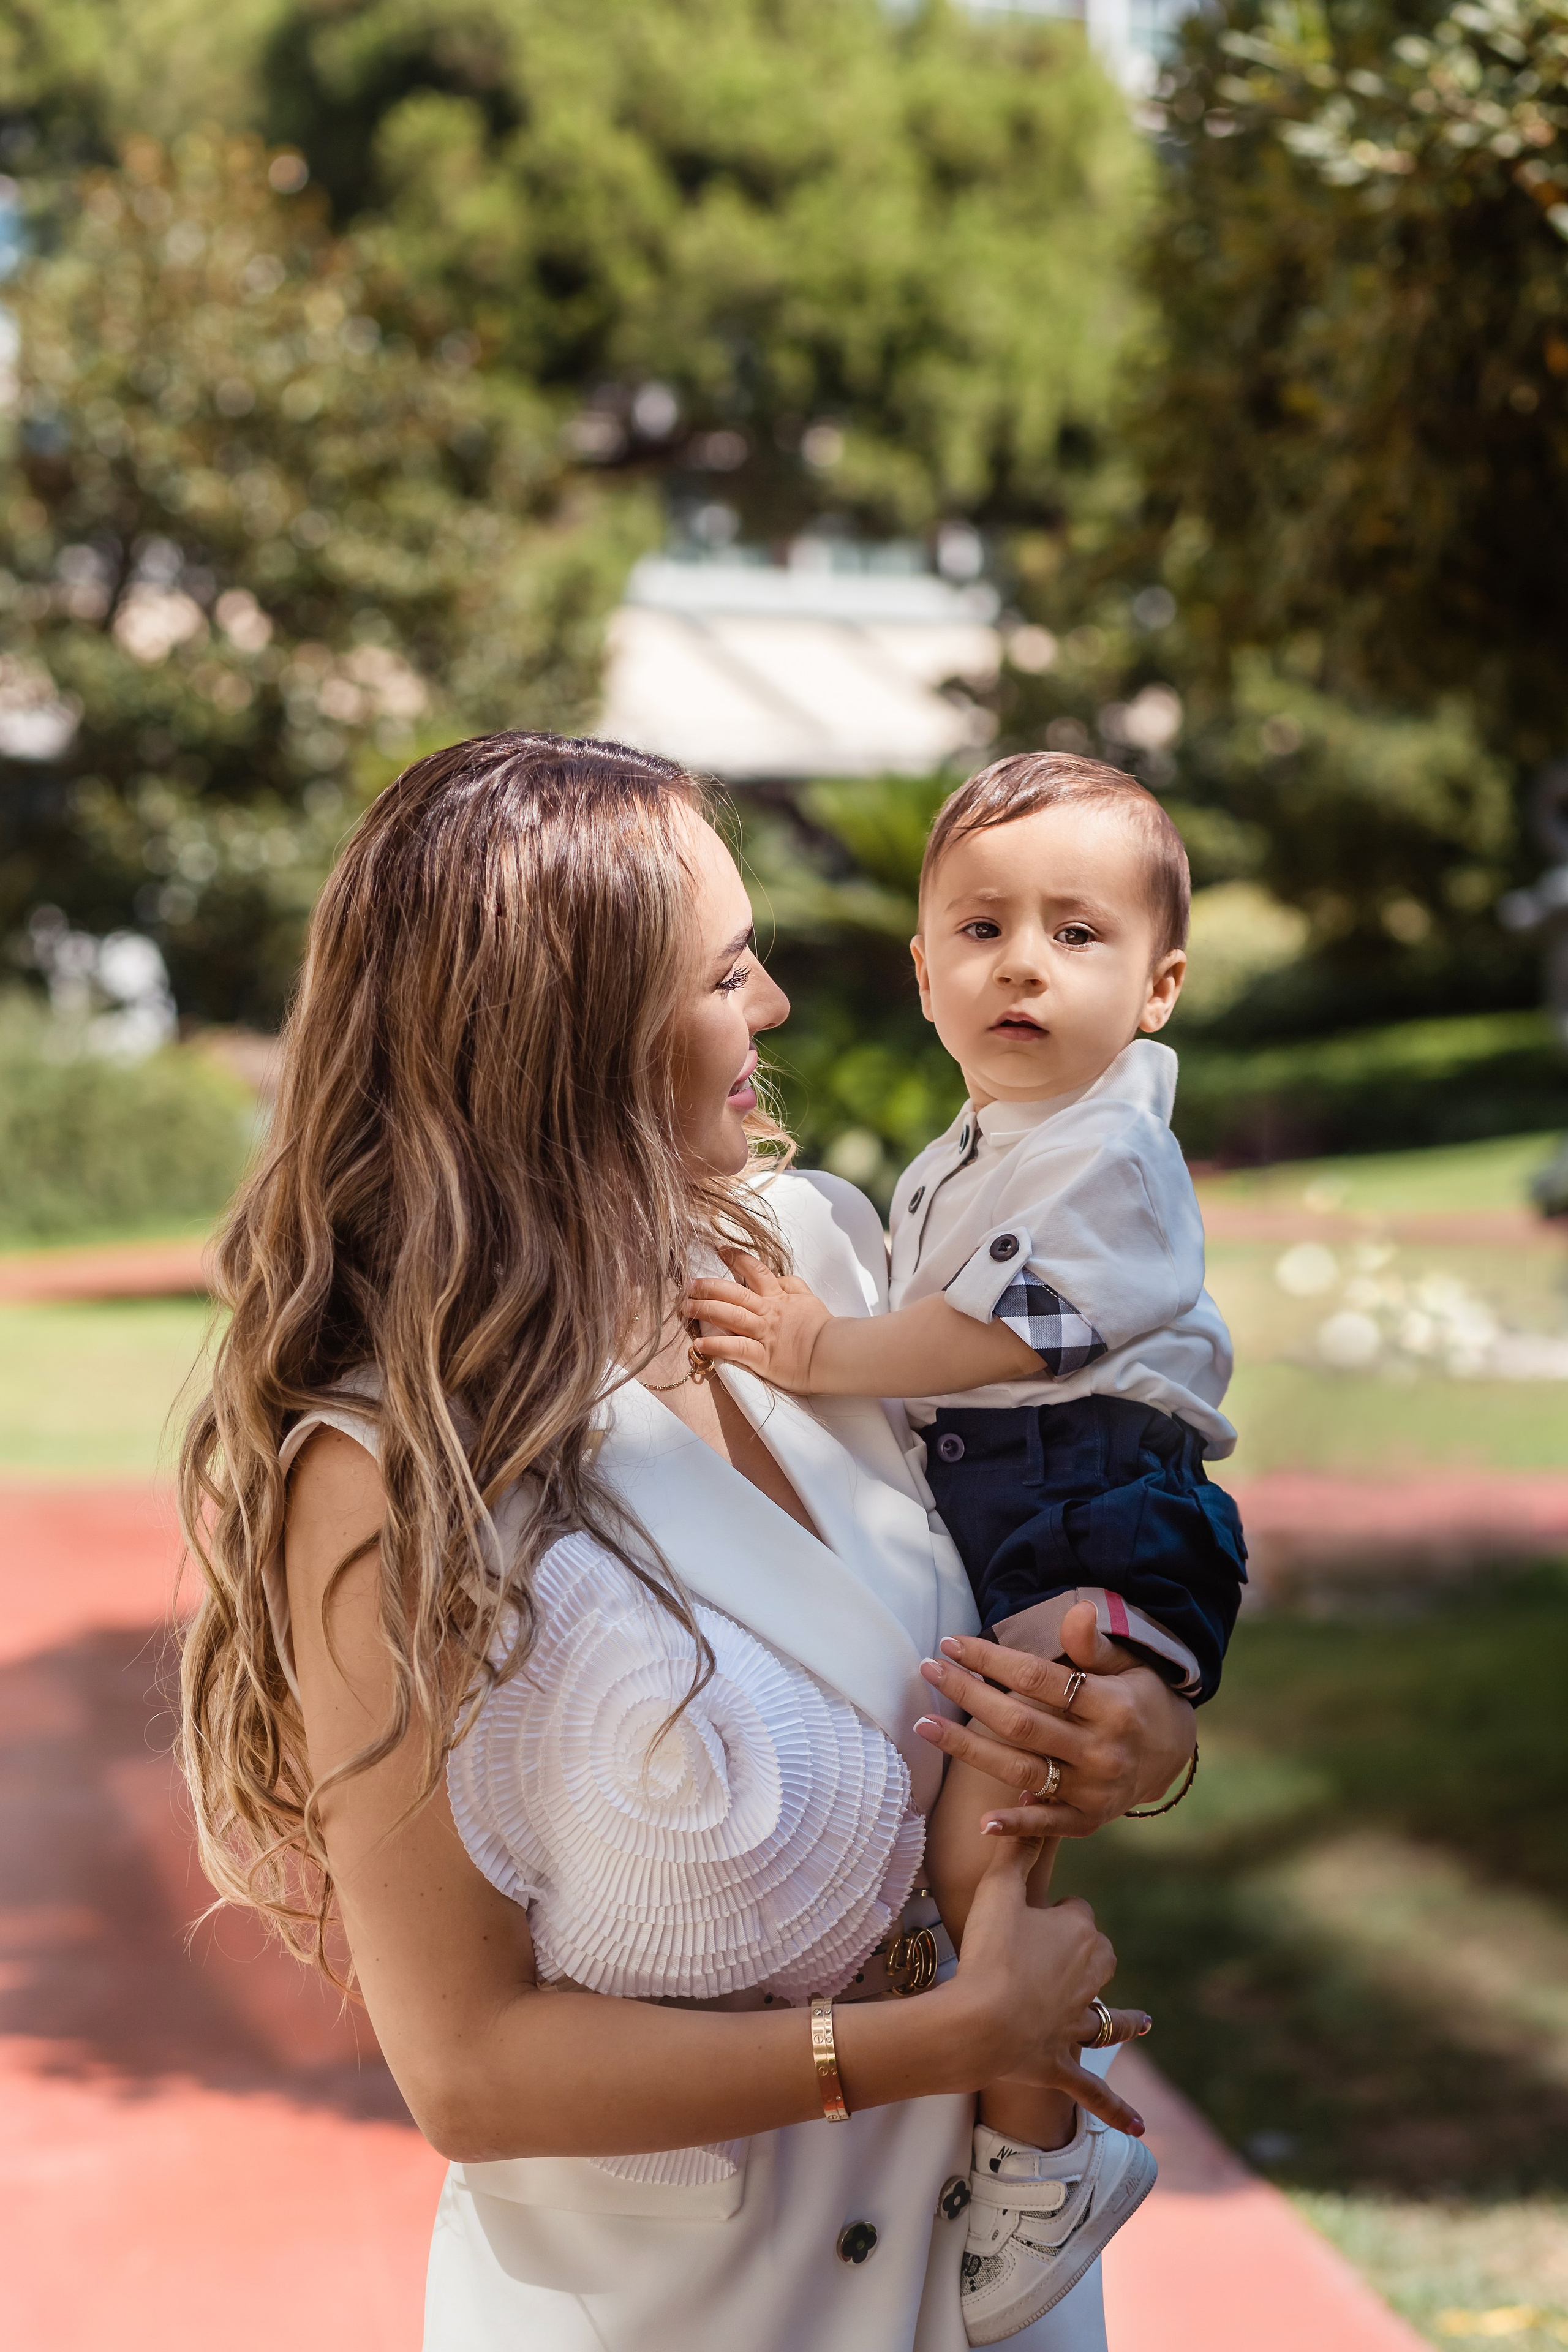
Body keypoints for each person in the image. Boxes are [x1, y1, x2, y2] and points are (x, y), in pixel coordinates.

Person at [176, 733, 1199, 2352]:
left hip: (1000, 2309)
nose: (775, 1007)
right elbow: (468, 2069)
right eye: (728, 974)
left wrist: (1133, 1730)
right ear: (571, 1038)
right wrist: (951, 2039)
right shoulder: (386, 1468)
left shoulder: (819, 1257)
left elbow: (1039, 1562)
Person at [688, 752, 1242, 2341]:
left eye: (1079, 934)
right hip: (1038, 1501)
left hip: (1100, 1503)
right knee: (984, 1806)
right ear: (920, 968)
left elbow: (1003, 1343)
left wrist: (810, 1352)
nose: (1023, 962)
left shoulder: (1110, 1153)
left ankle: (1040, 2144)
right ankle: (1025, 2117)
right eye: (983, 927)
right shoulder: (971, 1149)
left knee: (985, 1822)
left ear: (1160, 988)